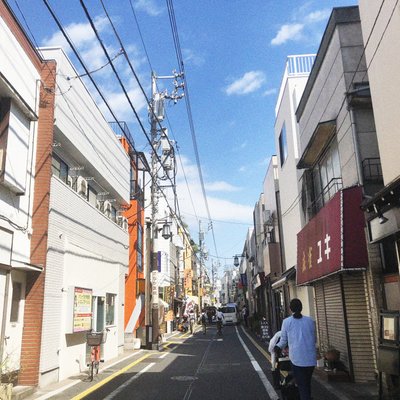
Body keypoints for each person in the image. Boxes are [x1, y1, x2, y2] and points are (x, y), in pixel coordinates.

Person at [274, 298, 316, 400]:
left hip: (298, 359)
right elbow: (314, 338)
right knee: (307, 384)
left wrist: (277, 347)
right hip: (311, 359)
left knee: (302, 386)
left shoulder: (287, 322)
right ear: (301, 308)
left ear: (290, 309)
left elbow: (283, 340)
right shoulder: (310, 321)